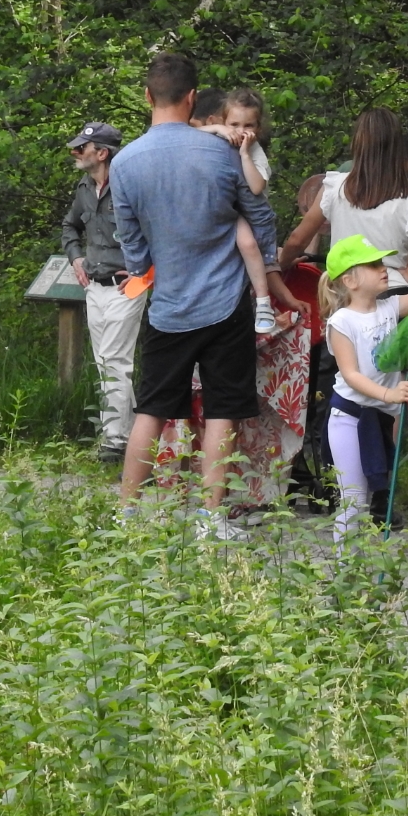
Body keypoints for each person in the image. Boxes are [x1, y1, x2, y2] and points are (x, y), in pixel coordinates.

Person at [110, 53, 279, 541]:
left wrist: (147, 268)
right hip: (226, 301)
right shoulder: (222, 151)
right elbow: (259, 214)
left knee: (151, 408)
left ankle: (126, 515)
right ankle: (210, 519)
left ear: (148, 96)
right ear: (192, 98)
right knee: (223, 410)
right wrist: (266, 265)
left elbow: (132, 244)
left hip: (168, 304)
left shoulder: (124, 162)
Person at [282, 109, 408, 372]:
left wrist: (279, 266)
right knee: (401, 392)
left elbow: (297, 239)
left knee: (345, 385)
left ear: (357, 143)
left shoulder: (335, 188)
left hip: (349, 302)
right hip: (397, 301)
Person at [319, 234, 408, 542]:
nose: (383, 268)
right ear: (350, 280)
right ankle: (346, 569)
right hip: (349, 418)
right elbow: (351, 374)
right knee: (353, 501)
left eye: (381, 262)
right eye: (373, 265)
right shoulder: (341, 321)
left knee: (368, 497)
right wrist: (389, 394)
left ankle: (358, 564)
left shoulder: (389, 307)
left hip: (380, 417)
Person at [61, 121, 146, 465]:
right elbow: (70, 225)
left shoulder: (130, 186)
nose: (75, 153)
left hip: (127, 286)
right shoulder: (84, 187)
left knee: (114, 359)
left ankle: (114, 441)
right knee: (106, 362)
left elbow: (156, 231)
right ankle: (133, 434)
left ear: (101, 153)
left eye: (82, 148)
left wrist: (143, 271)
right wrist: (75, 257)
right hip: (94, 286)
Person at [194, 88, 303, 333]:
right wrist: (217, 129)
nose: (240, 131)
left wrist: (244, 154)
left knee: (251, 247)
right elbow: (188, 134)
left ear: (258, 128)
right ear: (223, 121)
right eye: (234, 124)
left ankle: (264, 303)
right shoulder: (219, 138)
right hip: (233, 211)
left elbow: (255, 187)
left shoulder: (255, 153)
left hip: (256, 219)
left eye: (248, 125)